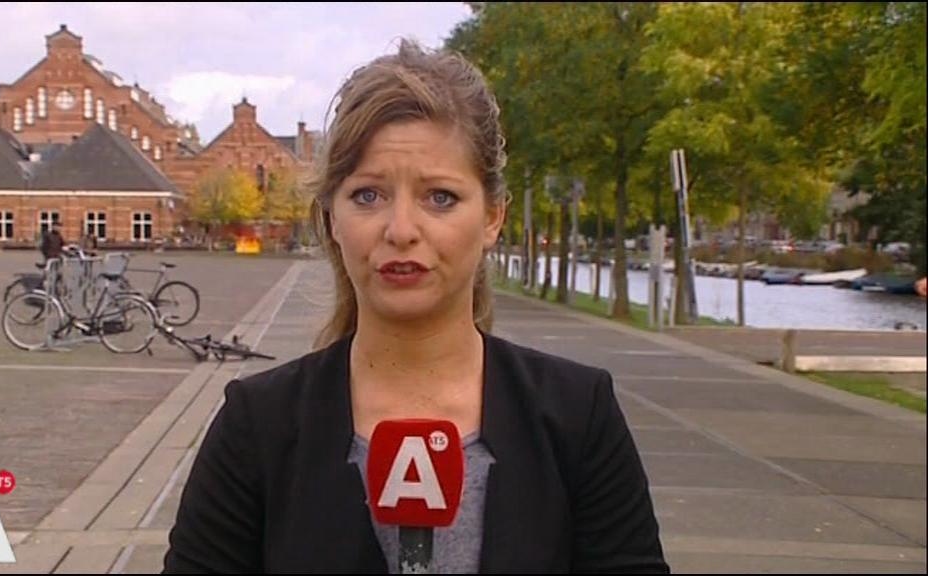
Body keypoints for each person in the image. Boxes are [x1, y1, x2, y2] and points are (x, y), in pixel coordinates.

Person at [163, 41, 668, 573]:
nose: (401, 230)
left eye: (440, 197)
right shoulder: (258, 424)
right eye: (368, 196)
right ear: (332, 218)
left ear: (492, 217)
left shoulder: (577, 414)